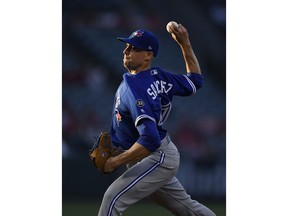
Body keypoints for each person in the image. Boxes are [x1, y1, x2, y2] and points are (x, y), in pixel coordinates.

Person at [97, 24, 216, 216]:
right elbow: (195, 81)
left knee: (113, 198)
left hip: (156, 155)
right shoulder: (159, 77)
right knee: (185, 208)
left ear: (148, 55)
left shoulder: (136, 87)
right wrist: (185, 43)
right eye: (127, 46)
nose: (126, 51)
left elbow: (150, 139)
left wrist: (115, 161)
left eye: (134, 48)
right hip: (149, 155)